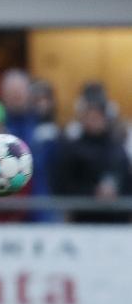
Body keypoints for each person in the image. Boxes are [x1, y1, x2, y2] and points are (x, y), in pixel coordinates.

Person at [51, 86, 131, 223]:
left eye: (97, 116)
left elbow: (127, 183)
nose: (94, 121)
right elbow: (64, 186)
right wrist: (93, 193)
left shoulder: (118, 149)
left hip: (117, 223)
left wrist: (116, 193)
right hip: (84, 222)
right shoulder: (72, 150)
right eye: (89, 117)